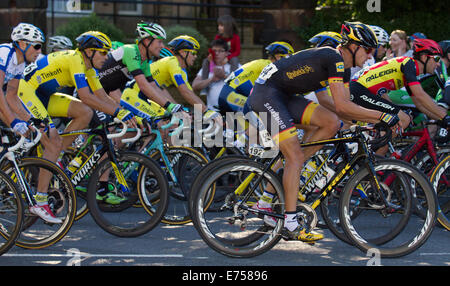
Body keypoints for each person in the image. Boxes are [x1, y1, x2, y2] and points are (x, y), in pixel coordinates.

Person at [246, 21, 397, 242]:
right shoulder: (333, 57)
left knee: (330, 123)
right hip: (266, 95)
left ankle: (275, 189)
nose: (370, 55)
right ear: (353, 46)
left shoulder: (343, 68)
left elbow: (342, 108)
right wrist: (382, 116)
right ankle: (290, 222)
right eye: (368, 49)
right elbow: (344, 106)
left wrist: (363, 123)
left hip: (283, 95)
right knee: (295, 156)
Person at [10, 31, 136, 223]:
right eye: (103, 53)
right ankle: (40, 200)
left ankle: (58, 153)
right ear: (89, 52)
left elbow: (101, 97)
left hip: (44, 95)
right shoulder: (75, 59)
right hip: (27, 92)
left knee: (85, 112)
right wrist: (119, 113)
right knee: (53, 141)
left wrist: (124, 112)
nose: (107, 57)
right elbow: (86, 96)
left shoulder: (90, 69)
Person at [350, 38, 448, 140]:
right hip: (360, 89)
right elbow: (420, 95)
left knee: (399, 120)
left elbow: (419, 104)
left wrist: (440, 119)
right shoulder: (409, 64)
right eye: (436, 59)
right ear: (424, 57)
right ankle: (375, 154)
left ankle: (374, 151)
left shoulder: (410, 69)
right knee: (403, 120)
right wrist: (445, 117)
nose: (438, 64)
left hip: (363, 90)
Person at [98, 21, 171, 107]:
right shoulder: (131, 51)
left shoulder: (145, 61)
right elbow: (143, 86)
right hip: (91, 91)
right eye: (159, 42)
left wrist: (173, 106)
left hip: (104, 94)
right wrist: (168, 106)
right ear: (147, 41)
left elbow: (153, 87)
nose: (162, 46)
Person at [216, 41, 294, 113]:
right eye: (288, 58)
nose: (289, 63)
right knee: (268, 120)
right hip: (232, 96)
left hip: (228, 95)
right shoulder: (270, 66)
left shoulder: (263, 63)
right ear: (278, 56)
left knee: (240, 127)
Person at [0, 23, 44, 138]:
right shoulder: (4, 53)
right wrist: (13, 121)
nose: (39, 51)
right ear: (23, 44)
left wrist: (30, 120)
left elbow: (11, 96)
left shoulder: (20, 64)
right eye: (37, 46)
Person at [192, 38, 235, 112]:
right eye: (214, 51)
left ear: (227, 53)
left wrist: (224, 76)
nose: (217, 53)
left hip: (232, 111)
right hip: (212, 112)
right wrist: (211, 79)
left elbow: (244, 85)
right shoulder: (206, 68)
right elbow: (195, 86)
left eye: (220, 51)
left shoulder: (235, 67)